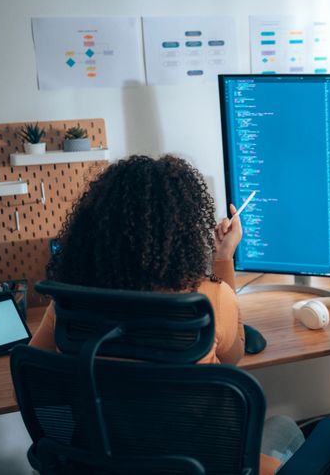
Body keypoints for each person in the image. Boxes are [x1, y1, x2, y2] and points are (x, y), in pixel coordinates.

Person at [30, 154, 301, 473]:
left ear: (97, 227)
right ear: (184, 231)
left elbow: (38, 373)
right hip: (195, 464)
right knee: (286, 428)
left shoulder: (70, 301)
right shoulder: (207, 298)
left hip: (106, 462)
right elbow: (232, 359)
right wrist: (223, 257)